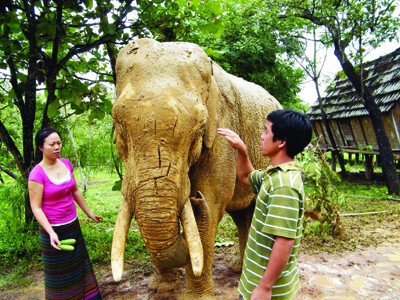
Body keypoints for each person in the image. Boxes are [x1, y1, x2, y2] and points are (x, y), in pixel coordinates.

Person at [218, 109, 312, 300]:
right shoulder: (275, 174)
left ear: (281, 141)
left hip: (269, 291)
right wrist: (241, 149)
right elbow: (246, 177)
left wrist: (264, 288)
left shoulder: (284, 186)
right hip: (255, 282)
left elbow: (285, 241)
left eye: (266, 131)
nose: (261, 136)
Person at [28, 127, 103, 300]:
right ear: (41, 147)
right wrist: (51, 232)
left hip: (72, 225)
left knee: (79, 267)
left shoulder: (66, 163)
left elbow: (75, 191)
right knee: (60, 276)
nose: (57, 147)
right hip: (53, 231)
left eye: (59, 143)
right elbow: (36, 207)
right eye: (52, 144)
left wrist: (88, 213)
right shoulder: (36, 174)